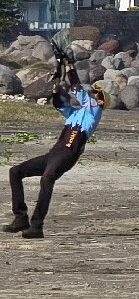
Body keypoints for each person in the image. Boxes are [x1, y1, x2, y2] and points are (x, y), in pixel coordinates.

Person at [4, 66, 106, 239]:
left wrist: (71, 68)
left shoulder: (94, 112)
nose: (92, 95)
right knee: (15, 172)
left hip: (68, 153)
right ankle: (20, 218)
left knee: (47, 178)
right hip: (54, 153)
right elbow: (60, 104)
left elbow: (77, 89)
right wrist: (56, 89)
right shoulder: (74, 114)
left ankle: (37, 226)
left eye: (95, 95)